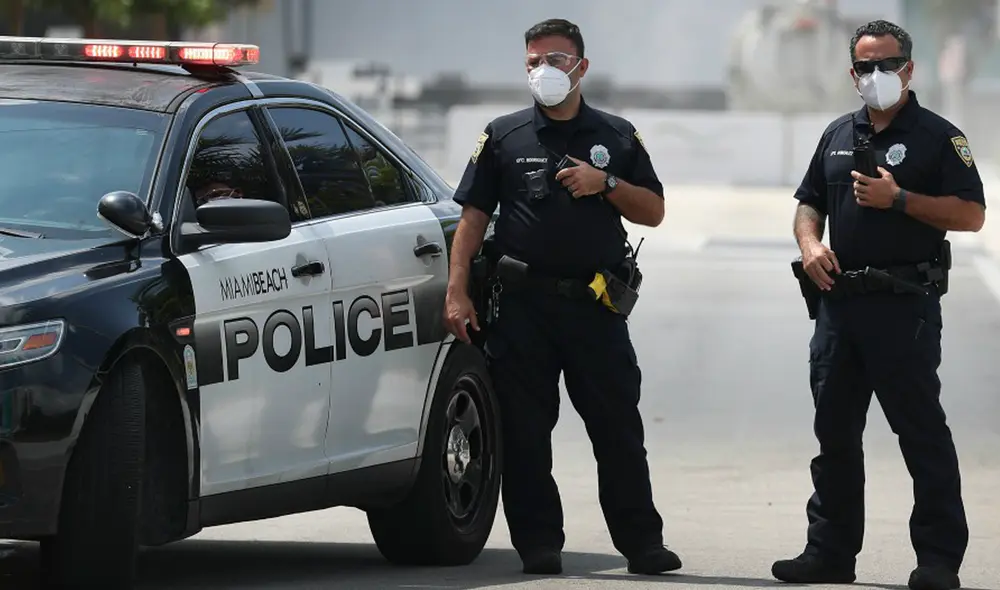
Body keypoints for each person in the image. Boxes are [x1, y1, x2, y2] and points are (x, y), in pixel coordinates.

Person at [442, 18, 681, 577]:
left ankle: (643, 543)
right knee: (525, 433)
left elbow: (655, 211)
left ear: (581, 67)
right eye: (532, 62)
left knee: (618, 429)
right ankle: (539, 544)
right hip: (522, 308)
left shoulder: (617, 136)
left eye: (553, 60)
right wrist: (457, 290)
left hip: (595, 307)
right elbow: (472, 219)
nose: (542, 71)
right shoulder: (502, 136)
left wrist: (609, 185)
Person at [773, 20, 986, 590]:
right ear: (852, 73)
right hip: (839, 309)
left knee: (921, 435)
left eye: (886, 65)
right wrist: (810, 244)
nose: (876, 76)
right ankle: (830, 554)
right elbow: (807, 203)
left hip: (903, 306)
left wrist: (902, 199)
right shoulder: (837, 133)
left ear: (909, 69)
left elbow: (971, 215)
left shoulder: (939, 138)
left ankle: (939, 560)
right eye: (865, 67)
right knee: (834, 436)